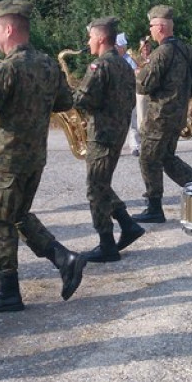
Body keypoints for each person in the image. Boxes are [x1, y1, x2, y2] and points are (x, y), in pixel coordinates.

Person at [0, 0, 86, 313]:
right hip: (35, 158)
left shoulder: (9, 67)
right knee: (16, 215)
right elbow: (63, 101)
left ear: (10, 28)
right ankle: (64, 259)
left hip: (8, 160)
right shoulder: (46, 63)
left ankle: (8, 292)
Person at [73, 18, 145, 262]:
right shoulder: (124, 64)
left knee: (95, 188)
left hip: (102, 135)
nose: (88, 42)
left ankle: (107, 244)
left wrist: (67, 94)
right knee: (101, 183)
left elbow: (83, 99)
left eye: (90, 37)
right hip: (116, 133)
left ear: (101, 38)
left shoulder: (100, 65)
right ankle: (128, 225)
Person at [131, 5, 192, 225]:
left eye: (152, 26)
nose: (150, 30)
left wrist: (140, 72)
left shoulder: (162, 52)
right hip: (176, 114)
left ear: (161, 27)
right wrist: (185, 93)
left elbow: (143, 85)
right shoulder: (184, 48)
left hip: (160, 116)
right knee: (165, 157)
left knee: (148, 157)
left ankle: (154, 208)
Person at [115, 33, 141, 156]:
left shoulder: (129, 59)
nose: (120, 48)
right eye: (119, 46)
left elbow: (137, 74)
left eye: (121, 46)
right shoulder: (112, 59)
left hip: (129, 95)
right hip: (115, 95)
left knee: (132, 123)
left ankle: (135, 146)